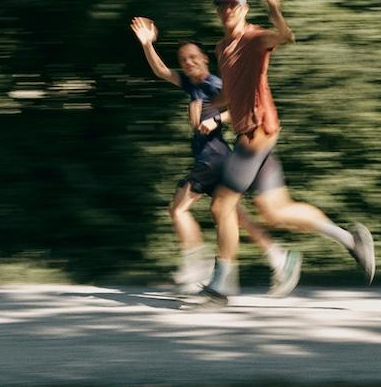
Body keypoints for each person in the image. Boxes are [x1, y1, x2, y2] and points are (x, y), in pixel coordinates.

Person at [200, 0, 376, 305]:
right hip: (252, 134)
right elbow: (230, 92)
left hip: (257, 133)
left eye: (233, 5)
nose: (227, 10)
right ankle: (350, 240)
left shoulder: (254, 39)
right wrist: (210, 108)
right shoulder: (222, 48)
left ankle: (222, 286)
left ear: (244, 8)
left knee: (222, 205)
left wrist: (274, 6)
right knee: (274, 211)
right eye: (222, 5)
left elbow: (285, 36)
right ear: (218, 11)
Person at [129, 16, 301, 297]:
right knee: (236, 217)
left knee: (178, 209)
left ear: (205, 59)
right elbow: (162, 71)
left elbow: (243, 107)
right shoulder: (191, 84)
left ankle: (197, 263)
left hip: (213, 157)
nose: (188, 63)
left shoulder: (215, 84)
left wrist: (218, 119)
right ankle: (280, 259)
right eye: (183, 59)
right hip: (221, 158)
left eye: (194, 57)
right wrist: (148, 45)